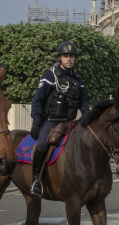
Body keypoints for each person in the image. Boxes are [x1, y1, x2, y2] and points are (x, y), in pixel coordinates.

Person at [29, 41, 90, 198]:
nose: (69, 59)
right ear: (59, 58)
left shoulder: (78, 79)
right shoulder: (50, 76)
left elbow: (83, 100)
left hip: (71, 122)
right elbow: (38, 100)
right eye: (65, 56)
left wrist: (86, 111)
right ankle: (36, 180)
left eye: (71, 56)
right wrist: (36, 122)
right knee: (42, 145)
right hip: (52, 121)